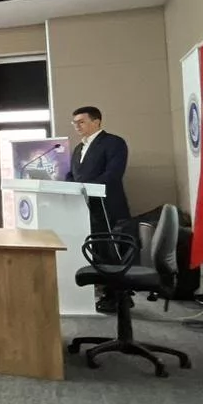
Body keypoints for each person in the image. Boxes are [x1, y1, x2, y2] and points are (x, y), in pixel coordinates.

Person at [68, 105, 132, 311]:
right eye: (74, 123)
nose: (77, 126)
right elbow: (72, 175)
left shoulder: (113, 142)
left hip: (107, 206)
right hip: (85, 207)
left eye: (81, 122)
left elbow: (113, 174)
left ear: (96, 121)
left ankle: (120, 296)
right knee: (96, 250)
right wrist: (67, 186)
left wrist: (87, 188)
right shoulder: (79, 148)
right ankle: (105, 292)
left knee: (110, 251)